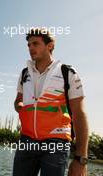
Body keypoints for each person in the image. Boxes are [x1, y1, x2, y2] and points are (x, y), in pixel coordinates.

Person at [13, 28, 89, 176]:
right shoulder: (24, 73)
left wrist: (81, 158)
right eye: (28, 45)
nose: (31, 48)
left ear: (50, 46)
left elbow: (79, 114)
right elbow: (17, 101)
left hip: (56, 143)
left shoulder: (68, 73)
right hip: (26, 141)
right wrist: (21, 107)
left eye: (35, 43)